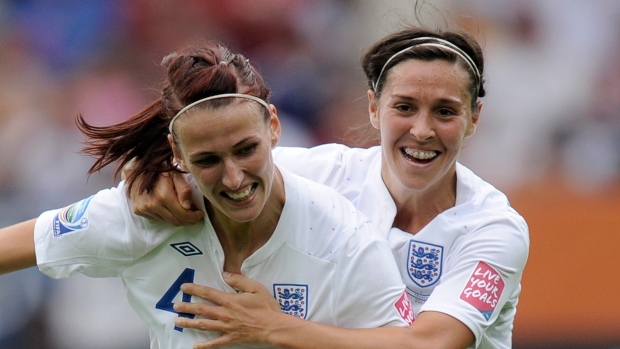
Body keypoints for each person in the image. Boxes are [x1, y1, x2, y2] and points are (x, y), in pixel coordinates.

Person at [127, 25, 530, 349]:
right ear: (373, 107)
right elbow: (213, 167)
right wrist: (151, 177)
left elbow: (432, 343)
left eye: (445, 111)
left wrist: (272, 328)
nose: (422, 131)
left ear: (475, 117)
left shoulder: (493, 229)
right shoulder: (316, 173)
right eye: (404, 107)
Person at [0, 40, 414, 349]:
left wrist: (284, 332)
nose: (233, 179)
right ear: (177, 152)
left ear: (273, 126)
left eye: (246, 150)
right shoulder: (144, 213)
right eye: (208, 160)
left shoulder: (344, 240)